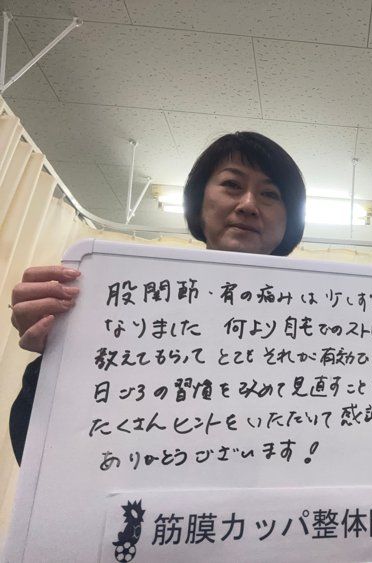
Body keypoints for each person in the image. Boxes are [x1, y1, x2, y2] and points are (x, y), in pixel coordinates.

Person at [9, 131, 306, 463]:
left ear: (289, 219)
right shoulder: (127, 302)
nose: (248, 205)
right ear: (199, 202)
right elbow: (46, 455)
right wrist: (58, 352)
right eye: (232, 185)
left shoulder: (318, 322)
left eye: (270, 193)